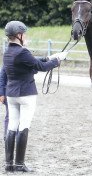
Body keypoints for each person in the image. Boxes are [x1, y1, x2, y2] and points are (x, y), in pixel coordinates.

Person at [3, 20, 68, 172]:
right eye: (24, 33)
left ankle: (9, 164)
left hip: (11, 94)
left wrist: (51, 57)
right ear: (18, 35)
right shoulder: (23, 52)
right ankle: (20, 164)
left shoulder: (7, 52)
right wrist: (57, 61)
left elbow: (32, 62)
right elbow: (41, 67)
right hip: (26, 94)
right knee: (23, 127)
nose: (25, 36)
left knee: (12, 127)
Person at [0, 67, 8, 141]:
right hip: (8, 93)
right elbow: (2, 79)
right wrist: (1, 94)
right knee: (8, 115)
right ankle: (6, 135)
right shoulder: (6, 62)